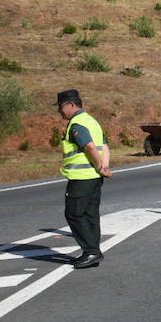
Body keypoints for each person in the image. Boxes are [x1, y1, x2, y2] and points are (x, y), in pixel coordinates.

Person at [56, 89, 111, 268]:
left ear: (71, 105)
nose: (59, 111)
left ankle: (91, 251)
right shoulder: (92, 121)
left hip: (82, 178)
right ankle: (92, 251)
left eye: (61, 107)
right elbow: (104, 146)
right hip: (94, 177)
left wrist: (98, 166)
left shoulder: (77, 123)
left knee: (73, 214)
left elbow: (89, 147)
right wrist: (104, 167)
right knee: (90, 214)